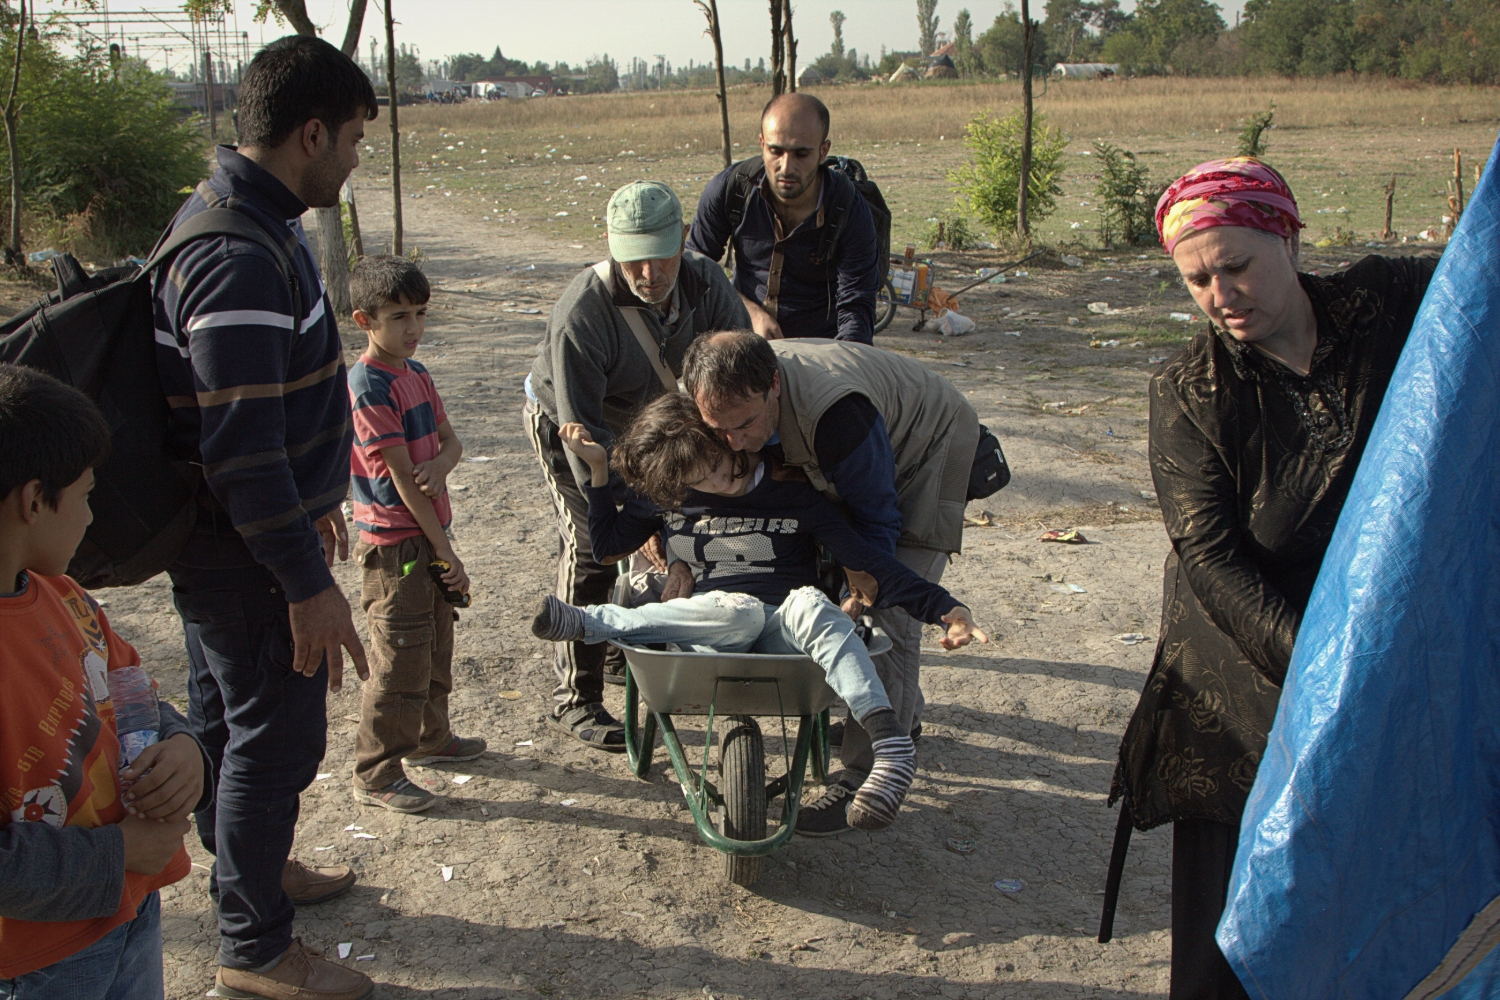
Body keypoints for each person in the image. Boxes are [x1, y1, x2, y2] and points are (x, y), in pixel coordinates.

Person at [1106, 157, 1437, 999]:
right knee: (1234, 928)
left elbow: (1483, 285)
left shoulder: (1385, 303)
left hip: (1380, 639)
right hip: (1241, 677)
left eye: (1236, 266)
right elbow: (1208, 555)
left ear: (1288, 238)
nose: (1220, 294)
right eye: (1197, 280)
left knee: (1365, 893)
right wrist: (1322, 668)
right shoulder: (1189, 391)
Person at [152, 35, 378, 1000]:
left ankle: (252, 870)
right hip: (245, 558)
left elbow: (267, 419)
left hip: (244, 541)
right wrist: (306, 583)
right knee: (274, 741)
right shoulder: (235, 254)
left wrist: (314, 505)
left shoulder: (255, 213)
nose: (358, 158)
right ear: (311, 132)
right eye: (354, 139)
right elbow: (241, 452)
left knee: (226, 722)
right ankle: (255, 951)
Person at [530, 395, 987, 831]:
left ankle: (890, 744)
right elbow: (608, 547)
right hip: (707, 633)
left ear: (719, 438)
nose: (717, 483)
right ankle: (594, 622)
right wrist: (595, 470)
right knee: (740, 613)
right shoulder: (668, 489)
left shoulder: (792, 494)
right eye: (698, 481)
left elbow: (872, 563)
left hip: (782, 635)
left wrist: (947, 608)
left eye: (714, 465)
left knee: (810, 602)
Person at [683, 331, 981, 837]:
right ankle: (899, 712)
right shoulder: (711, 395)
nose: (731, 441)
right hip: (845, 455)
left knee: (889, 614)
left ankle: (869, 772)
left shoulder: (837, 417)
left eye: (746, 425)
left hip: (928, 445)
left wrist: (861, 596)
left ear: (773, 385)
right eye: (718, 428)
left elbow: (877, 519)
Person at [0, 364, 211, 998]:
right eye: (88, 495)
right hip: (37, 962)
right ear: (34, 500)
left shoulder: (65, 598)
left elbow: (130, 691)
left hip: (130, 912)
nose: (92, 517)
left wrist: (184, 749)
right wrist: (121, 854)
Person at [523, 180, 750, 751]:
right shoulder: (584, 310)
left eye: (661, 254)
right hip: (580, 428)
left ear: (684, 243)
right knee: (594, 547)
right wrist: (639, 509)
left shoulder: (707, 282)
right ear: (610, 246)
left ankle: (628, 649)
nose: (649, 272)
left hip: (664, 424)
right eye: (633, 258)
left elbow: (732, 380)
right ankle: (576, 695)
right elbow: (584, 433)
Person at [347, 255, 485, 815]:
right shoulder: (369, 383)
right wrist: (445, 551)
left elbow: (451, 443)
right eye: (399, 315)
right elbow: (402, 477)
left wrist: (445, 466)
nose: (413, 328)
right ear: (365, 320)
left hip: (429, 535)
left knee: (435, 641)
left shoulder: (418, 374)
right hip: (398, 546)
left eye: (421, 314)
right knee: (400, 655)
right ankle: (376, 771)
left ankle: (432, 737)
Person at [687, 93, 881, 343]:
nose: (786, 167)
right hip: (743, 342)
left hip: (820, 347)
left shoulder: (849, 209)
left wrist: (841, 369)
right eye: (776, 151)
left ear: (823, 151)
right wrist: (750, 312)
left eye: (801, 154)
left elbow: (857, 309)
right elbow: (695, 271)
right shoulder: (730, 190)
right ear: (761, 144)